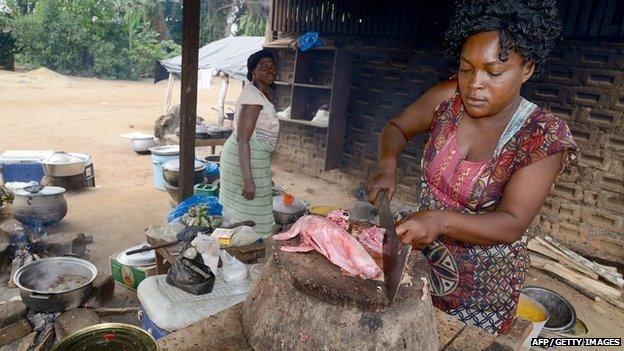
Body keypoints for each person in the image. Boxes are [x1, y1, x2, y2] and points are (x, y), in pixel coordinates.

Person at [367, 0, 578, 334]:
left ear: (528, 69)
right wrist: (387, 163)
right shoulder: (448, 99)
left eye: (494, 72)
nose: (474, 84)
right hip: (421, 267)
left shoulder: (541, 136)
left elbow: (511, 224)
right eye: (466, 68)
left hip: (480, 296)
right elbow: (396, 128)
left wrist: (438, 220)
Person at [219, 50, 279, 235]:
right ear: (252, 71)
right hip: (244, 158)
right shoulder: (253, 98)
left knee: (247, 211)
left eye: (272, 67)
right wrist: (248, 180)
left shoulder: (260, 94)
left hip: (253, 158)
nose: (269, 70)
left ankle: (245, 247)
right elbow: (243, 140)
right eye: (263, 66)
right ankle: (244, 249)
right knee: (248, 211)